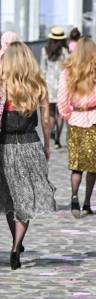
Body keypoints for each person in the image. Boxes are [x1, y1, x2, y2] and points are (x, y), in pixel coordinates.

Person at [0, 42, 56, 270]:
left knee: (10, 199)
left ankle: (15, 241)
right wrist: (47, 145)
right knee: (25, 198)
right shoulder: (37, 84)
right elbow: (45, 119)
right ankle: (16, 246)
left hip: (5, 145)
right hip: (29, 143)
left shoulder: (3, 84)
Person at [57, 38, 96, 218]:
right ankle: (87, 202)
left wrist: (67, 114)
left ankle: (74, 197)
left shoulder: (67, 73)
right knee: (92, 166)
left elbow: (62, 99)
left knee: (76, 165)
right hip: (94, 122)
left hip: (75, 121)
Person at [41, 26, 69, 148]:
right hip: (62, 85)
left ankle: (50, 132)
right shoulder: (64, 52)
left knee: (51, 113)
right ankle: (57, 139)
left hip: (49, 85)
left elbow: (42, 70)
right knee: (60, 114)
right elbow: (68, 70)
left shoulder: (45, 50)